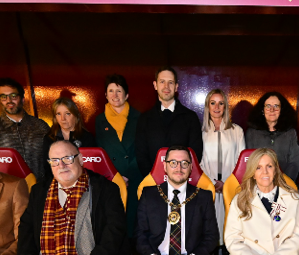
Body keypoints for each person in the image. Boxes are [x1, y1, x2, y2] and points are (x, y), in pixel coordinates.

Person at [199, 89, 245, 255]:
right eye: (213, 103)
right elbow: (198, 162)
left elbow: (242, 160)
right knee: (210, 225)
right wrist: (211, 182)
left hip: (230, 187)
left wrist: (228, 183)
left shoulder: (236, 131)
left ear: (226, 107)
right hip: (208, 187)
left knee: (230, 226)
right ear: (207, 106)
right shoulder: (200, 132)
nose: (216, 107)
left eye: (221, 103)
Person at [95, 74, 142, 236]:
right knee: (114, 221)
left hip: (134, 178)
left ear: (126, 95)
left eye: (119, 91)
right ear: (106, 95)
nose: (115, 95)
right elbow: (100, 152)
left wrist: (128, 176)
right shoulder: (99, 120)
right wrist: (115, 175)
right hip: (112, 179)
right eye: (111, 91)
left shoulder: (139, 118)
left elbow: (142, 150)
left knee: (134, 222)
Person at [135, 67, 204, 177]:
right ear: (155, 85)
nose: (166, 86)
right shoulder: (144, 119)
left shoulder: (190, 118)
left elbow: (195, 154)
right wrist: (153, 179)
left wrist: (179, 178)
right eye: (162, 82)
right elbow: (141, 155)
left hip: (183, 181)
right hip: (153, 182)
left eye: (170, 82)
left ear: (176, 87)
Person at [0, 77, 50, 181]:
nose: (9, 101)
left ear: (22, 99)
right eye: (3, 97)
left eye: (13, 96)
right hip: (9, 187)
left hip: (41, 186)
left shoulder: (40, 126)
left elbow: (52, 159)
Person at [245, 92, 299, 181]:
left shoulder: (290, 133)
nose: (272, 110)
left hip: (284, 182)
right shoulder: (252, 133)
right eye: (268, 106)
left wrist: (284, 183)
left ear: (281, 110)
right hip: (258, 182)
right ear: (262, 110)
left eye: (276, 106)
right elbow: (249, 162)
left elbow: (294, 163)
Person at [42, 97, 96, 182]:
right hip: (57, 183)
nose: (63, 119)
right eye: (58, 114)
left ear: (76, 115)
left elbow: (92, 167)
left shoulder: (87, 138)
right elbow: (46, 167)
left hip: (83, 182)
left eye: (67, 114)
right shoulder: (49, 138)